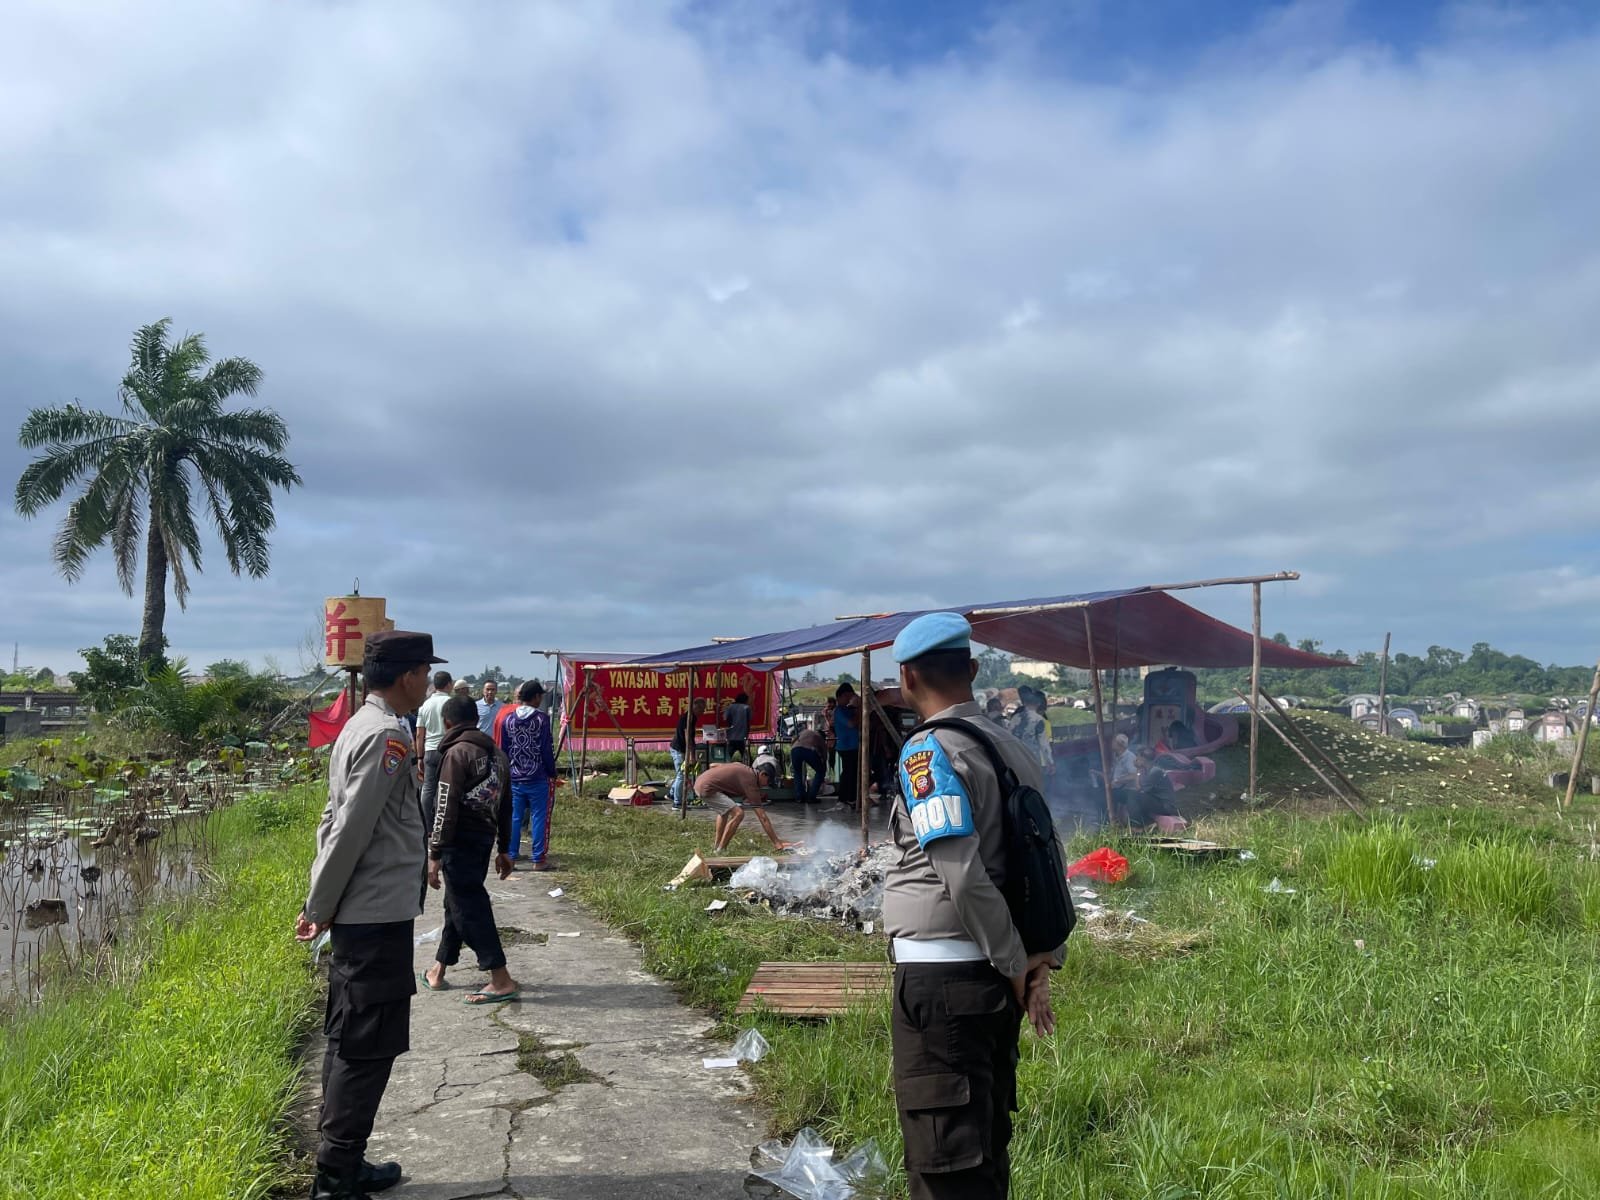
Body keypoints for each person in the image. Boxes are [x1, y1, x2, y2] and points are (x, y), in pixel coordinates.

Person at [883, 613, 1063, 1200]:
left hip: (945, 982)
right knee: (983, 1151)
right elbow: (1046, 860)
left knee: (946, 1165)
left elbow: (962, 873)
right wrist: (1040, 960)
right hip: (992, 977)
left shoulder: (927, 754)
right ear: (974, 670)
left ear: (907, 678)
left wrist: (1016, 964)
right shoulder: (1011, 746)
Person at [295, 630, 446, 1200]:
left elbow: (335, 822)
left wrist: (324, 901)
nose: (428, 681)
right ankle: (336, 1175)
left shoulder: (366, 725)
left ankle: (340, 1162)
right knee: (367, 1044)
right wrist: (320, 904)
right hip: (373, 913)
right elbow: (351, 829)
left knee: (348, 1036)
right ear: (408, 676)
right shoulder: (386, 736)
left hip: (367, 910)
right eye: (425, 672)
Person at [421, 696, 519, 1003]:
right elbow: (506, 805)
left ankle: (500, 978)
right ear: (475, 719)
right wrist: (505, 848)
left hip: (458, 841)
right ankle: (438, 971)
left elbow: (444, 807)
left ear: (447, 723)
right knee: (457, 902)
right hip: (484, 839)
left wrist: (434, 853)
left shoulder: (456, 753)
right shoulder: (497, 754)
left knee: (468, 905)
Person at [496, 680, 557, 869]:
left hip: (514, 776)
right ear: (536, 697)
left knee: (514, 817)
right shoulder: (541, 719)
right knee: (538, 817)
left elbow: (503, 750)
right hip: (537, 776)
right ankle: (538, 860)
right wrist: (552, 772)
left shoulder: (509, 719)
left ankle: (512, 857)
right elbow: (546, 749)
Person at [694, 760, 792, 854]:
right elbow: (763, 818)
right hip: (706, 788)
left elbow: (713, 765)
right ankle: (720, 850)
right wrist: (777, 843)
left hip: (700, 783)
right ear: (762, 774)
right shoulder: (751, 781)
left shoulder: (743, 767)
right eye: (768, 781)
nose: (767, 785)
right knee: (739, 814)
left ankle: (716, 847)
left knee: (724, 812)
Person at [416, 671, 453, 830]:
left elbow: (419, 733)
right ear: (449, 684)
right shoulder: (451, 703)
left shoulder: (425, 705)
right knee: (445, 789)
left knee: (428, 789)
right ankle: (441, 825)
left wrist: (419, 757)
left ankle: (426, 825)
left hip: (429, 750)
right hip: (448, 749)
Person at [670, 698, 707, 811]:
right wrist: (691, 755)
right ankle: (677, 803)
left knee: (680, 774)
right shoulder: (688, 718)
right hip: (679, 749)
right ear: (696, 707)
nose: (703, 712)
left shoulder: (693, 717)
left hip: (681, 748)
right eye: (702, 709)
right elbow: (688, 737)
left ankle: (672, 793)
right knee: (682, 774)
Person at [833, 682, 862, 809]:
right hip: (846, 747)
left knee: (852, 773)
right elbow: (852, 724)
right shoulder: (839, 711)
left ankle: (850, 797)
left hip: (853, 746)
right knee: (849, 773)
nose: (849, 699)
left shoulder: (847, 709)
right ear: (842, 696)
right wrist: (860, 710)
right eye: (848, 697)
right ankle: (846, 798)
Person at [790, 724, 828, 804]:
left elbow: (793, 740)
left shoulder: (806, 731)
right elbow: (824, 754)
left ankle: (799, 797)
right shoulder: (820, 738)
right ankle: (811, 797)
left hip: (795, 749)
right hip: (807, 750)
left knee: (797, 773)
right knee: (820, 772)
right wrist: (823, 766)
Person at [721, 691, 752, 763]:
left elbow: (725, 718)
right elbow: (748, 721)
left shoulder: (730, 707)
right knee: (745, 759)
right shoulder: (746, 708)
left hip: (731, 736)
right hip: (742, 737)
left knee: (728, 758)